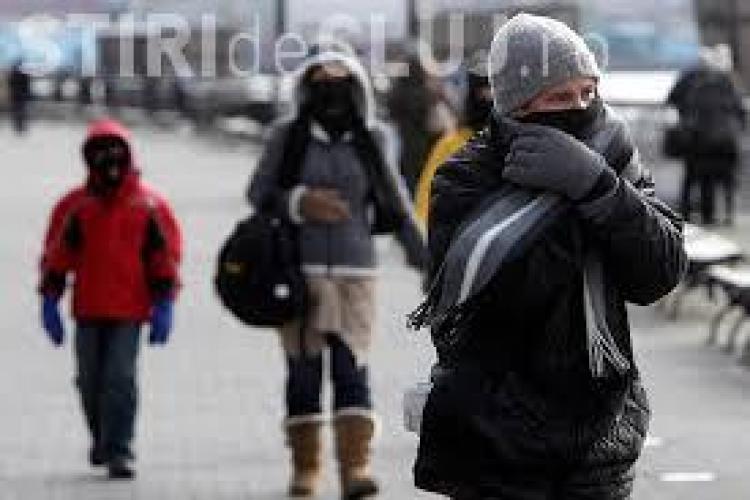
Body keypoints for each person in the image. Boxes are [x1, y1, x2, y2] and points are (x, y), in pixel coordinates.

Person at [412, 14, 687, 499]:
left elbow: (658, 273)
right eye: (560, 97)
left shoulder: (612, 159)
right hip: (494, 442)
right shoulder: (465, 177)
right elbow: (504, 300)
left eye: (589, 93)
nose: (581, 108)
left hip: (600, 435)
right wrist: (571, 203)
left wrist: (600, 188)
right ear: (518, 104)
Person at [247, 48, 422, 499]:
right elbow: (258, 192)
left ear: (357, 85)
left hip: (356, 274)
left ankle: (355, 469)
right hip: (298, 274)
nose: (332, 85)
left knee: (352, 371)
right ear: (307, 84)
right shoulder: (287, 136)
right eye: (322, 77)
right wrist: (298, 203)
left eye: (342, 77)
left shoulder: (374, 137)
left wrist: (428, 261)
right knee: (303, 373)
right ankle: (305, 469)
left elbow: (397, 202)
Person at [38, 118, 183, 479]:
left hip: (130, 309)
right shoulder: (76, 206)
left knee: (119, 377)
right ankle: (102, 439)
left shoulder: (148, 205)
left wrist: (165, 302)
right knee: (89, 380)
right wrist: (49, 299)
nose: (110, 160)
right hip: (87, 308)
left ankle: (120, 449)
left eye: (116, 151)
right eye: (100, 152)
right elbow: (57, 254)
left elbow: (163, 256)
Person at [667, 45, 746, 225]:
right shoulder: (729, 81)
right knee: (726, 179)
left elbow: (675, 100)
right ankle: (726, 214)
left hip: (699, 139)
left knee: (698, 179)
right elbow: (739, 111)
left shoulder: (694, 80)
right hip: (725, 140)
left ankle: (698, 214)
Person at [414, 52, 494, 227]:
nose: (487, 98)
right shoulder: (451, 145)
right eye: (481, 92)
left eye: (491, 91)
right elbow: (427, 197)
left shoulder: (515, 142)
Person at [8, 60, 31, 134]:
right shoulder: (24, 73)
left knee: (16, 110)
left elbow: (10, 83)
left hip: (14, 94)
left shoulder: (12, 73)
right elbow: (27, 84)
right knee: (22, 110)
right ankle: (21, 126)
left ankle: (17, 126)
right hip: (22, 94)